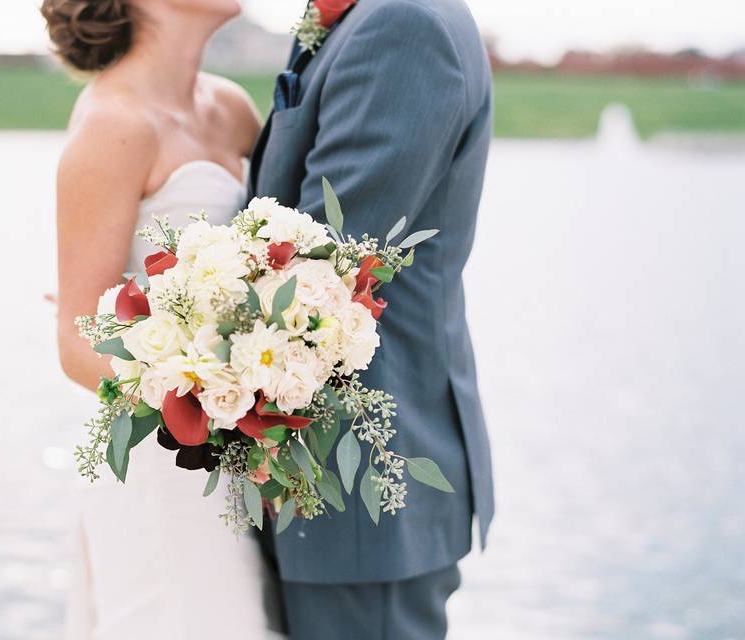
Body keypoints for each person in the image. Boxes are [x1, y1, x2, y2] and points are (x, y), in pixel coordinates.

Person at [248, 0, 495, 638]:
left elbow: (322, 274)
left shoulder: (402, 27)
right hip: (334, 490)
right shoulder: (368, 18)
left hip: (363, 488)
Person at [42, 0, 281, 637]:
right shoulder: (112, 125)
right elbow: (74, 340)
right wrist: (222, 419)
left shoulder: (231, 108)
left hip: (242, 465)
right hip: (164, 464)